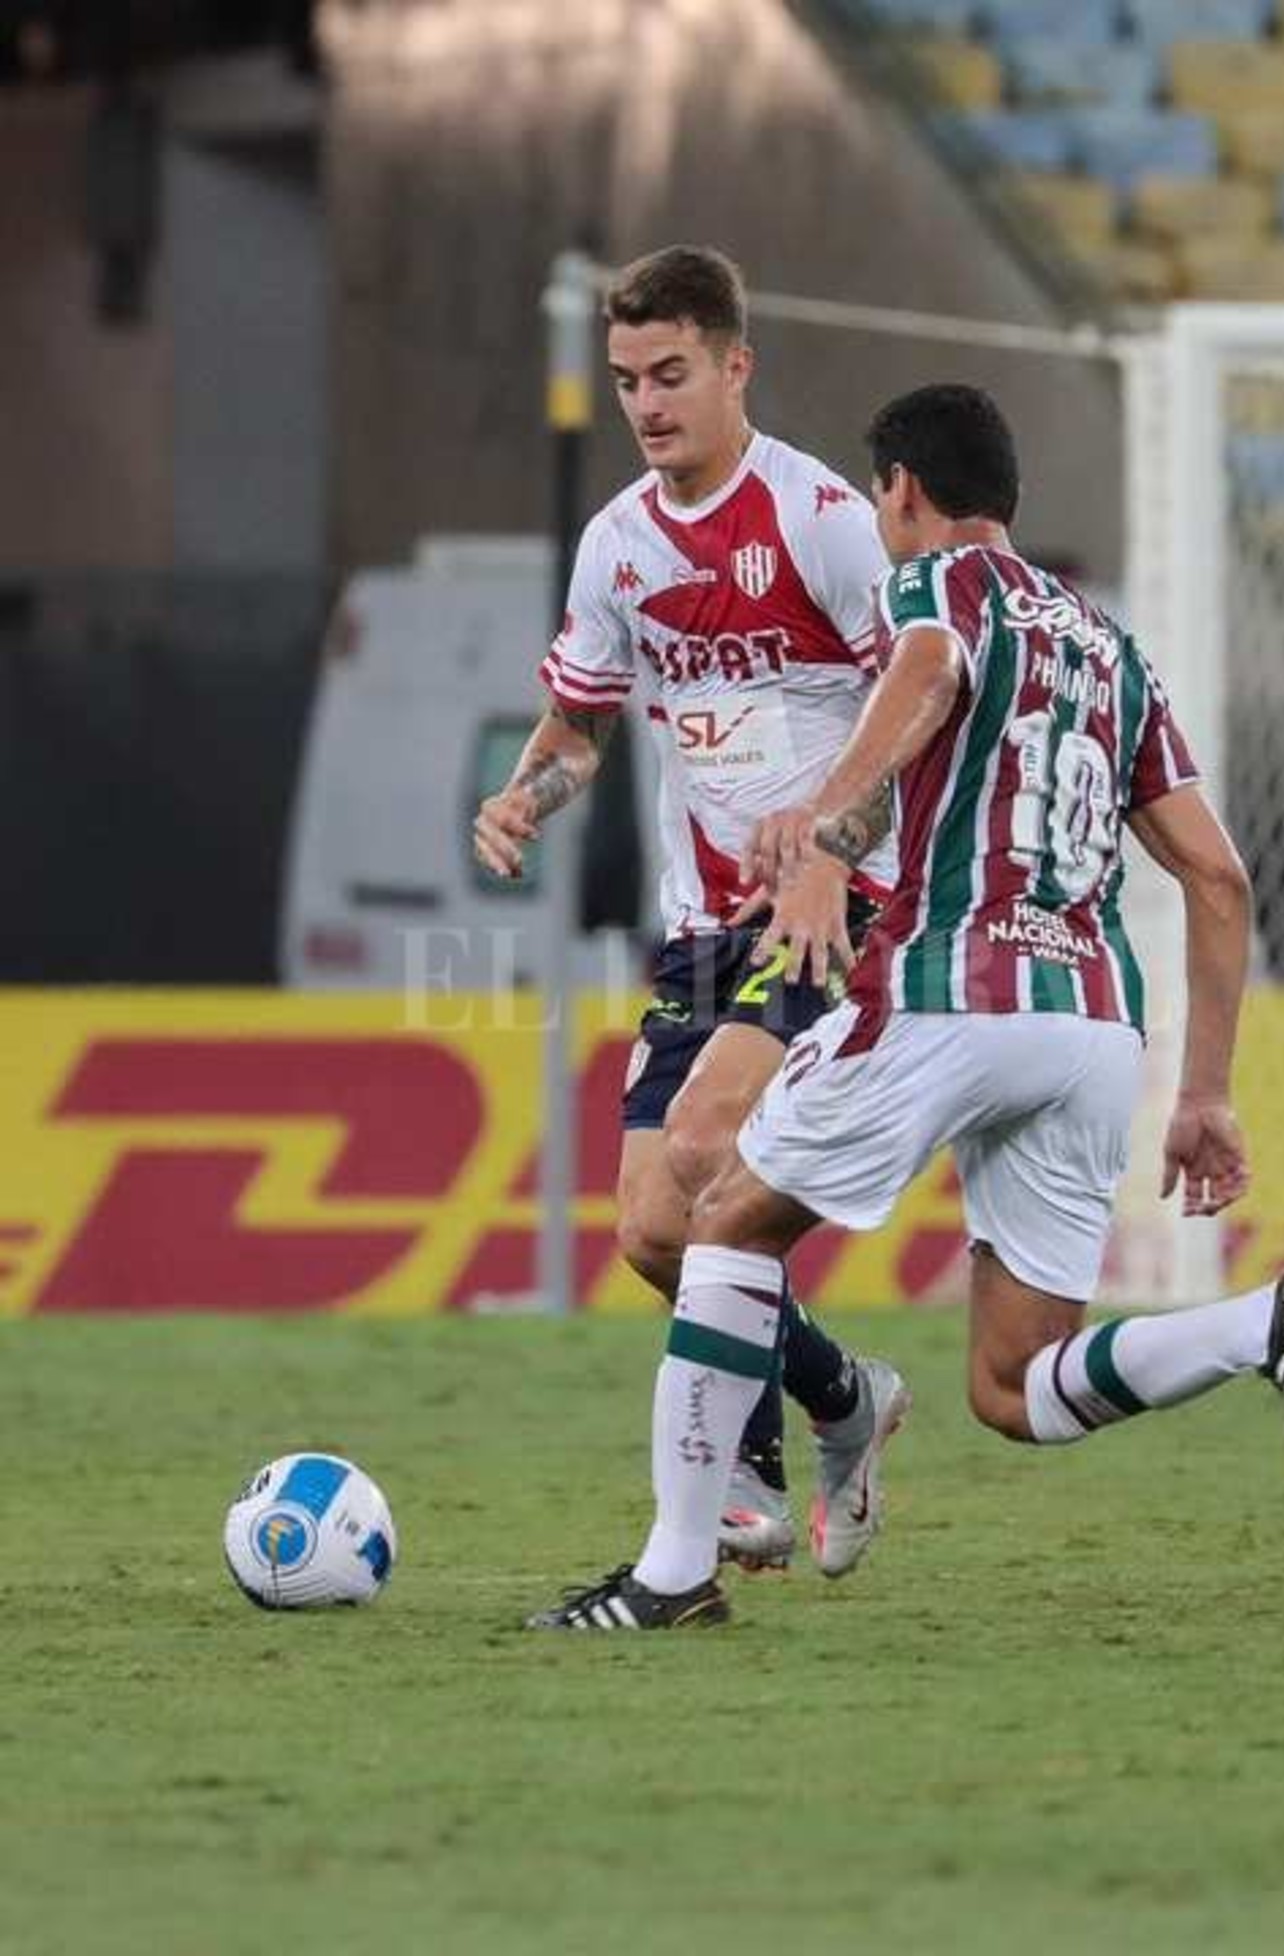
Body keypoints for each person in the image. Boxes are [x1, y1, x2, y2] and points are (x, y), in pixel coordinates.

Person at [527, 382, 1284, 1631]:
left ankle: (672, 1574)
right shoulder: (1107, 646)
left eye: (881, 500)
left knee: (718, 1227)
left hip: (946, 991)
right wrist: (1202, 1092)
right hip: (1088, 1029)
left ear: (904, 493)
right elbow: (1216, 877)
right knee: (1016, 1385)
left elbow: (920, 681)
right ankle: (1264, 1322)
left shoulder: (936, 590)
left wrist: (824, 833)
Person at [473, 246, 909, 1577]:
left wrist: (834, 831)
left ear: (734, 366)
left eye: (670, 374)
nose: (648, 403)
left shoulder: (823, 519)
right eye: (625, 382)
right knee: (655, 1232)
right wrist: (526, 795)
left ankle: (729, 1494)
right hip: (703, 931)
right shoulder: (616, 548)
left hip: (836, 909)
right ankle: (841, 1403)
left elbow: (919, 710)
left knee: (705, 1153)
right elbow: (580, 730)